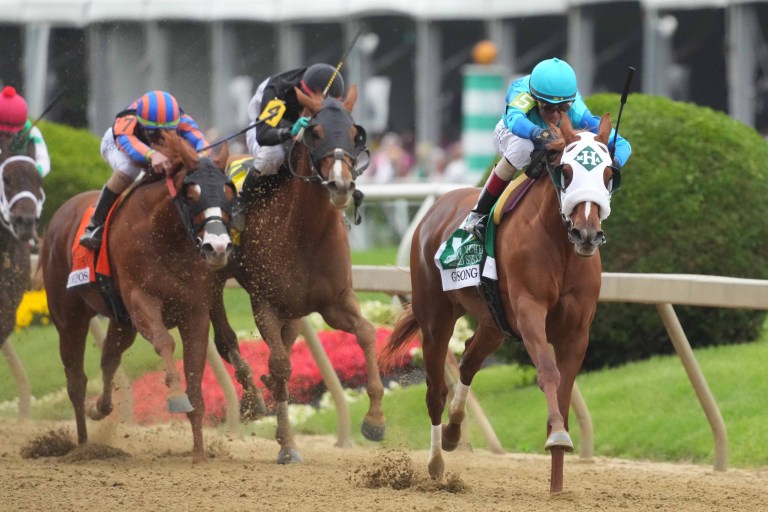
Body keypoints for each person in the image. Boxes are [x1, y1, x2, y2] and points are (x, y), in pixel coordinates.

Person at [461, 57, 632, 240]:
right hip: (513, 133)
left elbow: (622, 144)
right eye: (548, 107)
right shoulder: (521, 91)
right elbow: (515, 120)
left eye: (563, 108)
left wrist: (614, 162)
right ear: (535, 99)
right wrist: (538, 134)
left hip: (552, 139)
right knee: (522, 147)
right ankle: (479, 213)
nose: (556, 114)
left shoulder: (577, 109)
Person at [79, 90, 210, 249]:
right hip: (118, 145)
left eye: (168, 131)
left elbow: (201, 141)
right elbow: (130, 145)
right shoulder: (126, 122)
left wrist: (202, 155)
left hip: (147, 147)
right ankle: (95, 224)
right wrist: (152, 154)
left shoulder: (183, 120)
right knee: (129, 169)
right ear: (140, 123)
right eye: (153, 132)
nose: (161, 136)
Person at [242, 63, 345, 193]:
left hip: (295, 127)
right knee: (273, 155)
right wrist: (291, 131)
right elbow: (263, 135)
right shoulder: (279, 90)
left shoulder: (333, 95)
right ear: (304, 93)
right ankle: (243, 200)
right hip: (264, 128)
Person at [0, 85, 51, 177]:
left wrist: (33, 173)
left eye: (9, 135)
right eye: (0, 134)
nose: (3, 139)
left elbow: (44, 161)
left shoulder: (33, 133)